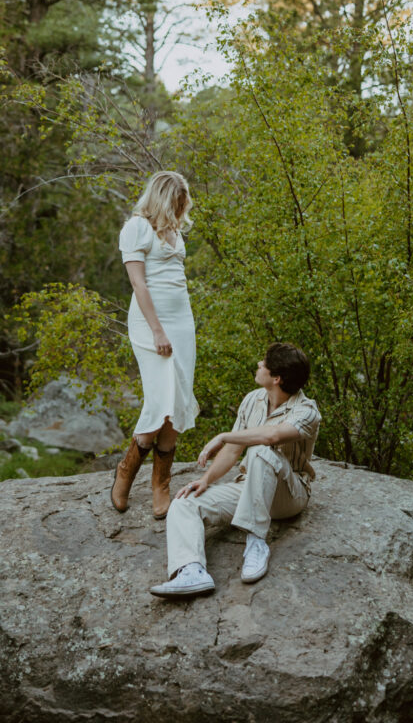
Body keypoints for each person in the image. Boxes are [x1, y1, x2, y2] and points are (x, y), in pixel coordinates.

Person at [149, 342, 320, 599]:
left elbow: (272, 436)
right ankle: (191, 571)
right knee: (185, 501)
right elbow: (231, 451)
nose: (258, 365)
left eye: (264, 363)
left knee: (262, 450)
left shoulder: (307, 411)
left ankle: (256, 541)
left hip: (289, 495)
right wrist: (206, 480)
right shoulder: (253, 399)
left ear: (276, 378)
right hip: (249, 487)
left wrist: (224, 435)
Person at [111, 170, 198, 520]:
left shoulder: (174, 229)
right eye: (177, 203)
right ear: (163, 199)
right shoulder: (136, 228)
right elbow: (139, 285)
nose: (181, 210)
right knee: (160, 401)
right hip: (151, 323)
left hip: (182, 322)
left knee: (178, 402)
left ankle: (160, 484)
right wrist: (158, 331)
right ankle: (126, 472)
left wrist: (175, 329)